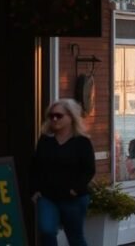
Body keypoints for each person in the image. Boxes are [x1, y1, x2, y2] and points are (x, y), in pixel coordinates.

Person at [30, 98, 96, 246]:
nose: (54, 119)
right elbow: (34, 167)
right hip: (47, 197)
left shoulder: (82, 142)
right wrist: (34, 190)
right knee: (46, 230)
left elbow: (89, 169)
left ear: (71, 117)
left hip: (73, 198)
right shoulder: (45, 140)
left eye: (59, 116)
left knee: (75, 237)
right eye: (51, 115)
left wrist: (75, 189)